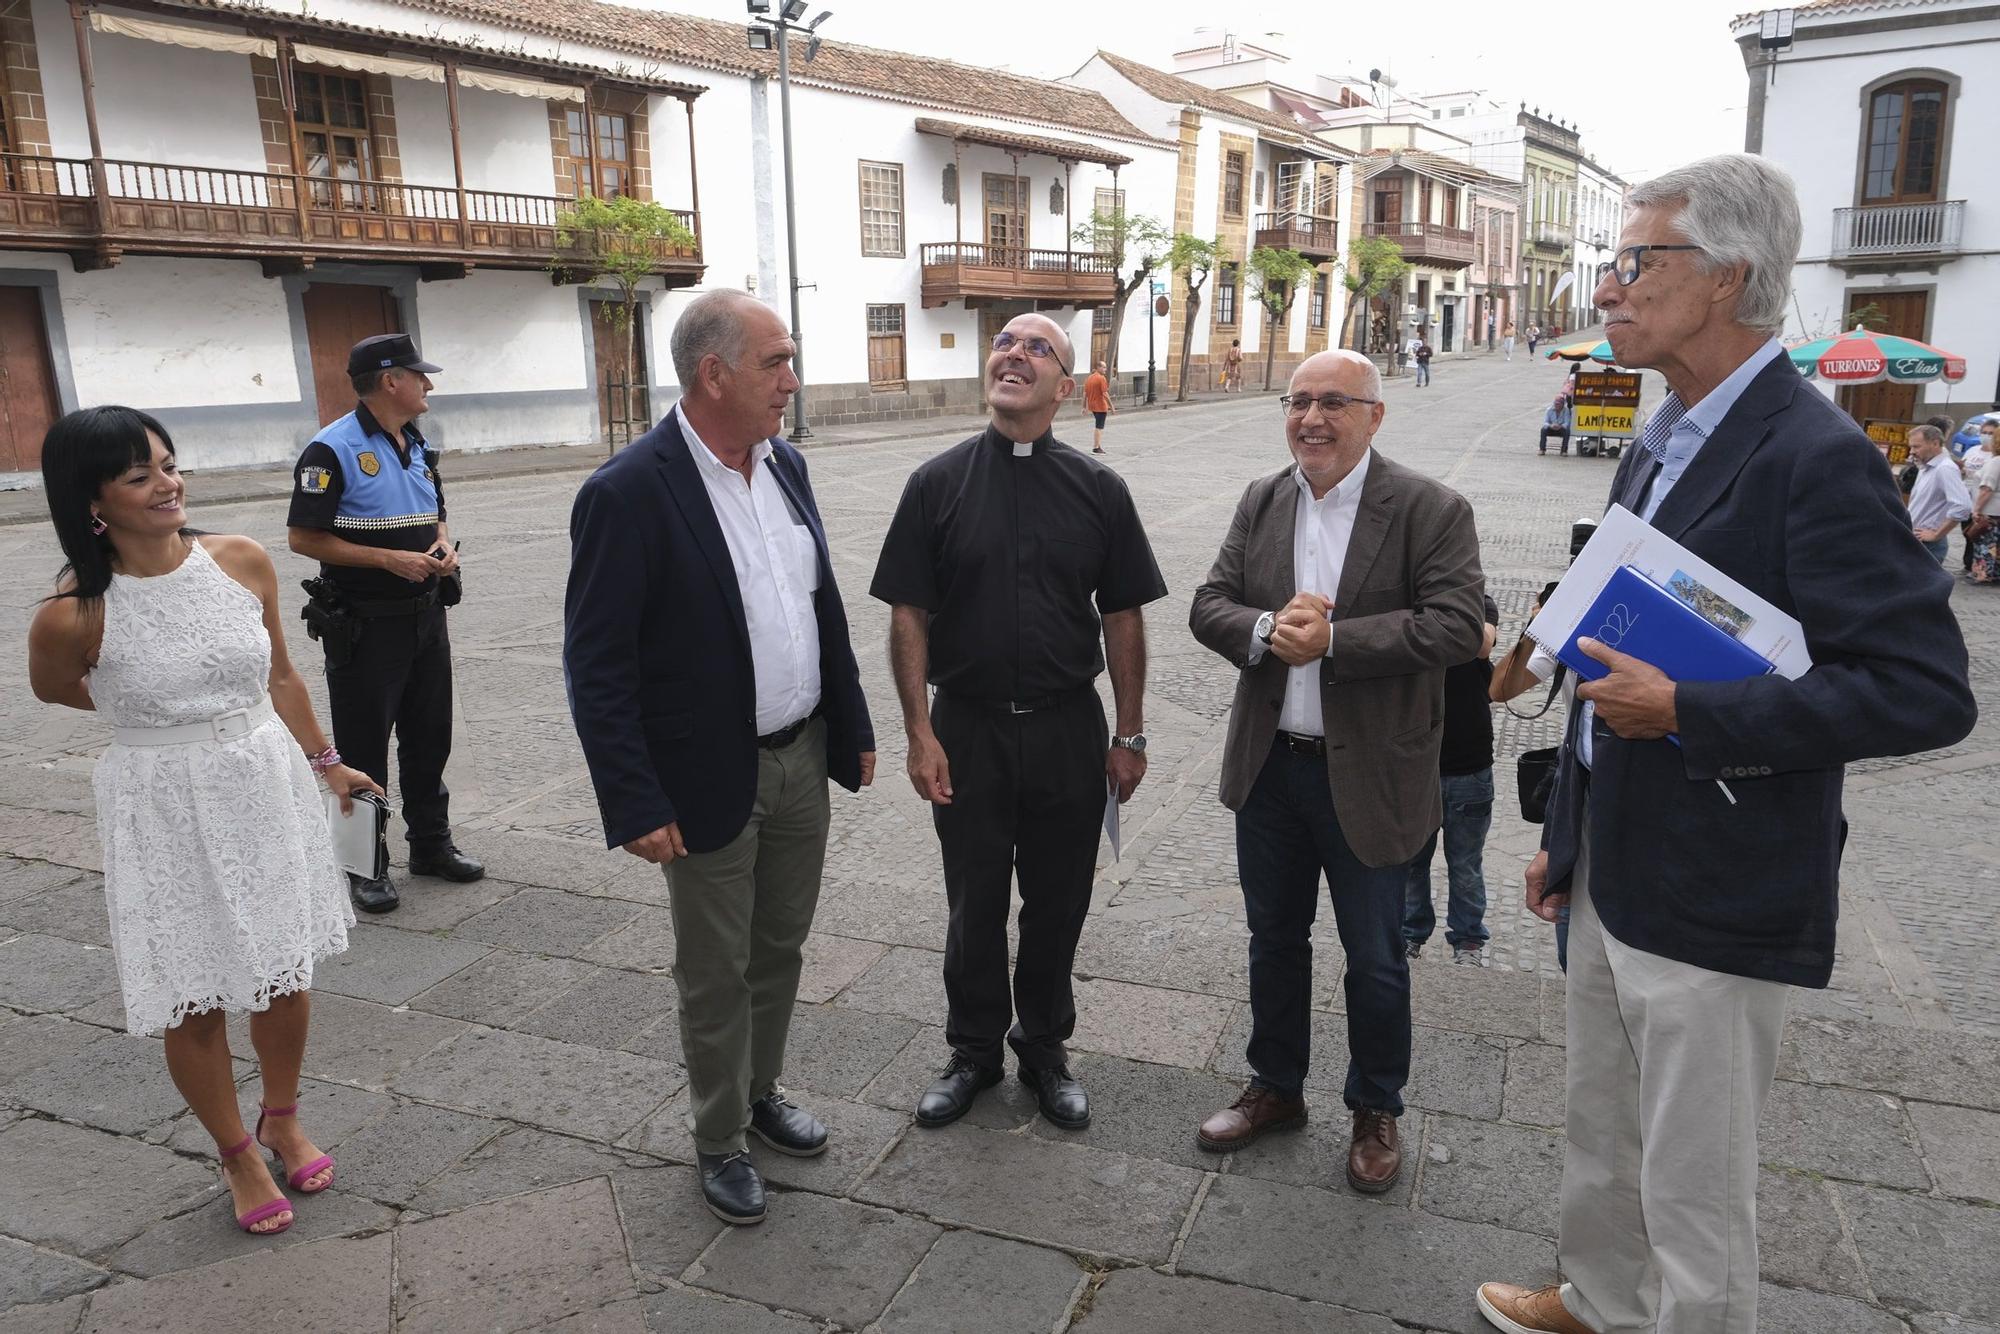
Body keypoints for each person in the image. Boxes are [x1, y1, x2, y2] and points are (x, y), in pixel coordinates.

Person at [1476, 153, 1976, 1334]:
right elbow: (1618, 615)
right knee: (1601, 1123)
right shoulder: (1662, 435)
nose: (1607, 286)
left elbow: (1922, 691)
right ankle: (1596, 1300)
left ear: (1723, 279)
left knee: (1693, 1180)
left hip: (1719, 872)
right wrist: (1567, 832)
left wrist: (1693, 713)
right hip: (1612, 859)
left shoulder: (1816, 456)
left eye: (1635, 261)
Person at [563, 289, 876, 1227]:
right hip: (703, 777)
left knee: (779, 946)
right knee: (715, 967)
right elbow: (598, 664)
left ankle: (761, 1091)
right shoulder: (628, 492)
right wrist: (633, 798)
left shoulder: (786, 467)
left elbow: (818, 609)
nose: (792, 379)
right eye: (777, 362)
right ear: (716, 374)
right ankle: (718, 1137)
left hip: (800, 754)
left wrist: (851, 725)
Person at [28, 406, 381, 1236]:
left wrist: (329, 765)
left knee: (284, 969)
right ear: (92, 501)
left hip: (260, 778)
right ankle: (237, 1153)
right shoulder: (73, 612)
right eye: (140, 474)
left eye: (170, 464)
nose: (168, 483)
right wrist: (158, 717)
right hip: (159, 801)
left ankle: (283, 1115)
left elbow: (283, 677)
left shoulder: (241, 559)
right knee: (193, 992)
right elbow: (55, 687)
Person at [1188, 349, 1484, 1193]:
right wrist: (1263, 629)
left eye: (1333, 403)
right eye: (1297, 402)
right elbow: (1210, 604)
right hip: (1272, 770)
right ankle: (1276, 1087)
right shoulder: (1263, 498)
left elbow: (1458, 626)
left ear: (1375, 415)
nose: (1311, 419)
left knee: (1376, 957)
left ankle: (1375, 1107)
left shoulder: (1430, 508)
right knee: (1273, 941)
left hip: (1375, 777)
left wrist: (1338, 640)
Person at [871, 312, 1167, 1133]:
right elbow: (908, 614)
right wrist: (917, 732)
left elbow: (1124, 617)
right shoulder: (936, 482)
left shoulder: (1100, 489)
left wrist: (1130, 732)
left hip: (1070, 727)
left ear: (1065, 389)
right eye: (1006, 342)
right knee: (971, 903)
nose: (1016, 354)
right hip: (965, 728)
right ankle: (971, 1050)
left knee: (1058, 901)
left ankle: (1043, 1047)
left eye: (1040, 348)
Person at [288, 334, 481, 916]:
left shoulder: (416, 440)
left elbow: (435, 511)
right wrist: (388, 559)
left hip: (426, 617)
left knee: (429, 736)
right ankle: (364, 865)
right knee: (365, 747)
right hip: (366, 625)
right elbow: (303, 536)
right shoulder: (331, 449)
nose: (429, 385)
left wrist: (442, 544)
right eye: (420, 376)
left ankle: (430, 844)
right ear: (390, 380)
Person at [1403, 594, 1499, 965]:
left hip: (1469, 764)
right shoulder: (1408, 605)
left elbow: (1482, 644)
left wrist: (1444, 611)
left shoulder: (1480, 604)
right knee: (1411, 863)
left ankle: (1468, 939)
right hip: (1416, 765)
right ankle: (1410, 933)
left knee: (1465, 864)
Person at [1907, 423, 1972, 564]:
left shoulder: (1945, 468)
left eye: (1916, 446)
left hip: (1929, 545)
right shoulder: (1926, 466)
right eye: (1911, 446)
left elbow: (1963, 506)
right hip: (1917, 539)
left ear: (1935, 443)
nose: (1911, 451)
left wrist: (1936, 534)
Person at [1968, 440, 2000, 584]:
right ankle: (1996, 573)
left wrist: (1977, 509)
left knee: (1985, 543)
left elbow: (1987, 488)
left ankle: (1982, 573)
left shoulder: (1995, 462)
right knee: (1997, 544)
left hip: (1991, 510)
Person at [1083, 360, 1115, 454]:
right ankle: (1096, 447)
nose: (1105, 369)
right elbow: (1105, 393)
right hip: (1101, 406)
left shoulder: (1089, 378)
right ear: (1098, 367)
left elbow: (1085, 394)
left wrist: (1084, 406)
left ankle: (1098, 444)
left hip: (1092, 406)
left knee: (1098, 425)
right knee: (1099, 427)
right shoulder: (1101, 378)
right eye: (1104, 367)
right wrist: (1111, 406)